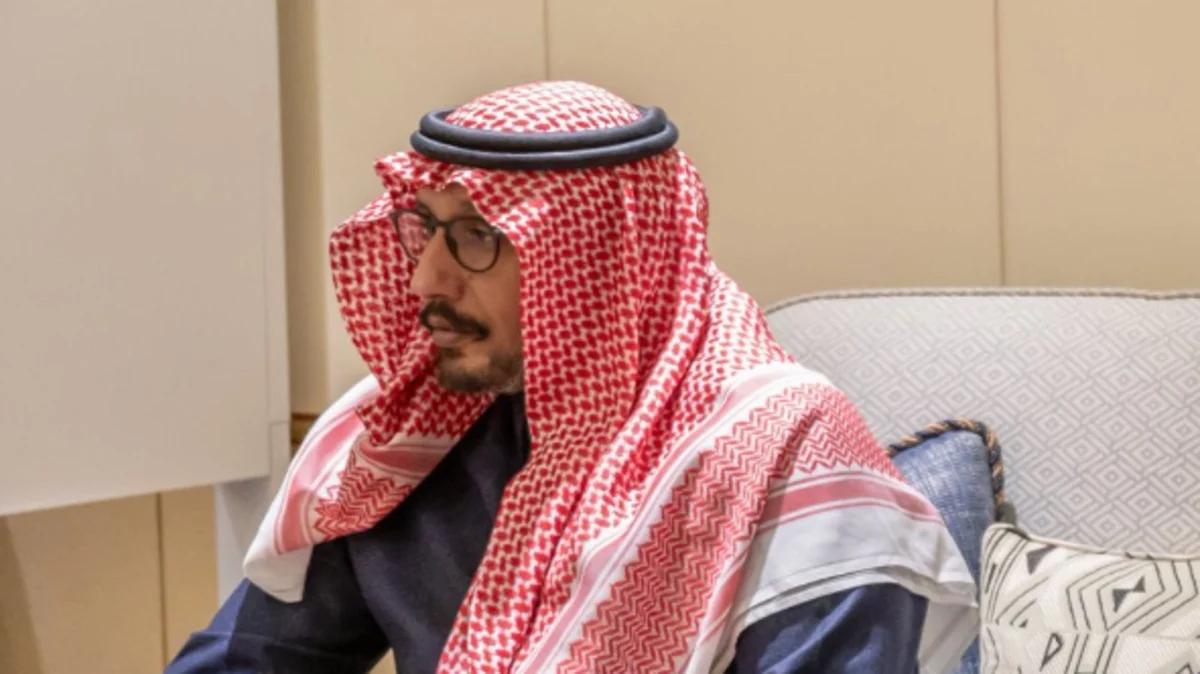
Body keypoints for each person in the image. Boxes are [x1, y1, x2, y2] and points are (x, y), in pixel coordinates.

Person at [167, 81, 976, 673]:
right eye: (426, 230)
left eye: (476, 237)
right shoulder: (412, 436)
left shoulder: (787, 457)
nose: (425, 281)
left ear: (594, 259)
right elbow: (251, 659)